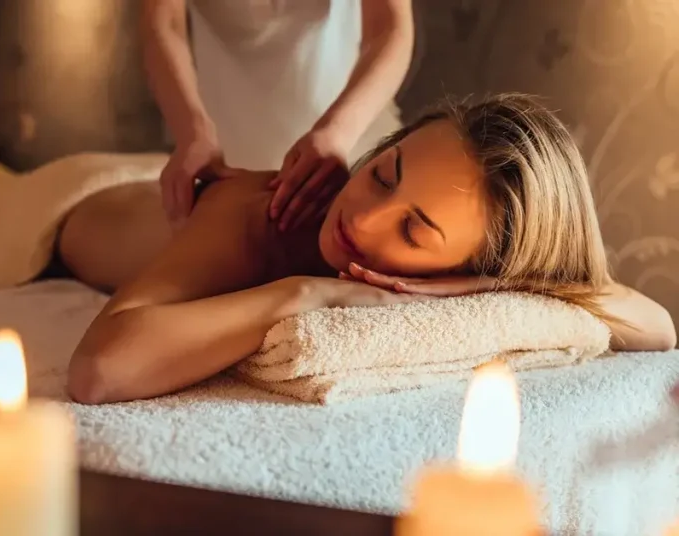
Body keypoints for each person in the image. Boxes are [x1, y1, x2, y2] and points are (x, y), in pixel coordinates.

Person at [56, 94, 677, 405]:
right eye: (383, 173)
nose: (364, 215)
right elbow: (98, 370)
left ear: (462, 268)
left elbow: (656, 326)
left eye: (414, 231)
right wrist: (305, 292)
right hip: (71, 201)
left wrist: (490, 289)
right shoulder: (261, 217)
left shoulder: (470, 274)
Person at [141, 0, 414, 231]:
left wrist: (336, 134)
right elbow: (164, 25)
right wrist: (192, 134)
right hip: (232, 165)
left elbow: (389, 27)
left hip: (356, 138)